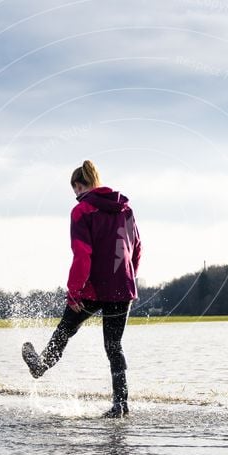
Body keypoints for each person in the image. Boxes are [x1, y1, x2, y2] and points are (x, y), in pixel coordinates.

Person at [22, 160, 142, 418]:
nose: (75, 195)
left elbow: (82, 253)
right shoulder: (126, 209)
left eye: (74, 189)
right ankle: (121, 405)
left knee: (65, 330)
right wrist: (129, 277)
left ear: (79, 185)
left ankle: (41, 366)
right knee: (114, 347)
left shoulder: (82, 211)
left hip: (92, 288)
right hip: (122, 286)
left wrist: (74, 290)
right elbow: (137, 248)